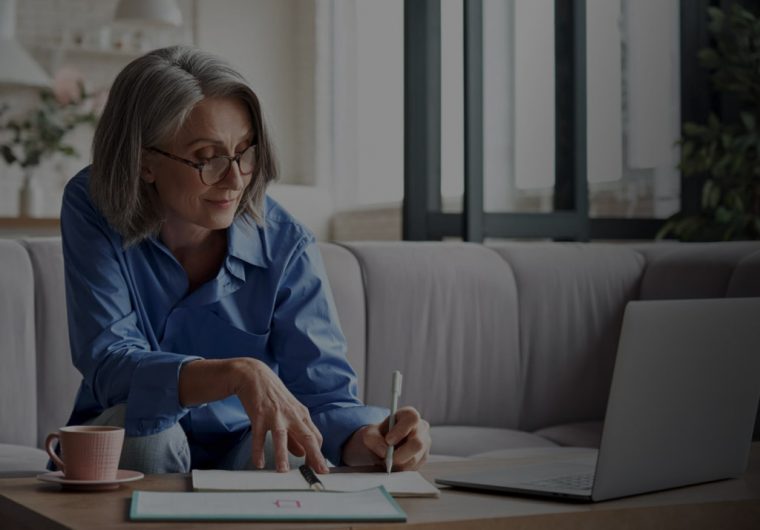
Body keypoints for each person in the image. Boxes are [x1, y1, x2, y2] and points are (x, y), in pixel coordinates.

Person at [59, 45, 431, 474]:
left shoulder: (287, 244)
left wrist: (371, 440)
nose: (236, 180)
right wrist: (235, 374)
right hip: (134, 438)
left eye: (245, 152)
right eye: (207, 158)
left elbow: (324, 397)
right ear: (145, 163)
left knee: (286, 445)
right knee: (147, 427)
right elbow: (109, 361)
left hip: (244, 444)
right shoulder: (93, 204)